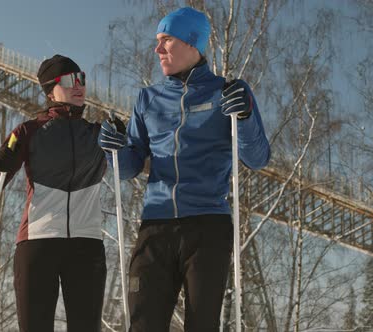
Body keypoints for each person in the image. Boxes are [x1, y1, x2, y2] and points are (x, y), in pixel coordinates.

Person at [98, 7, 271, 332]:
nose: (158, 49)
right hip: (156, 226)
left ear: (192, 42)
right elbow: (129, 167)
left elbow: (258, 158)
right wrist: (114, 148)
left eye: (166, 40)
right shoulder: (148, 99)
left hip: (207, 226)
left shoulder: (228, 92)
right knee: (143, 322)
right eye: (157, 41)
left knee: (201, 325)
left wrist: (245, 117)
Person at [0, 54, 107, 332]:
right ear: (50, 90)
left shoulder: (99, 134)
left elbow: (137, 164)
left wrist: (124, 142)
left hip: (86, 244)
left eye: (82, 79)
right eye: (71, 80)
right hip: (38, 242)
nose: (79, 85)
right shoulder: (30, 131)